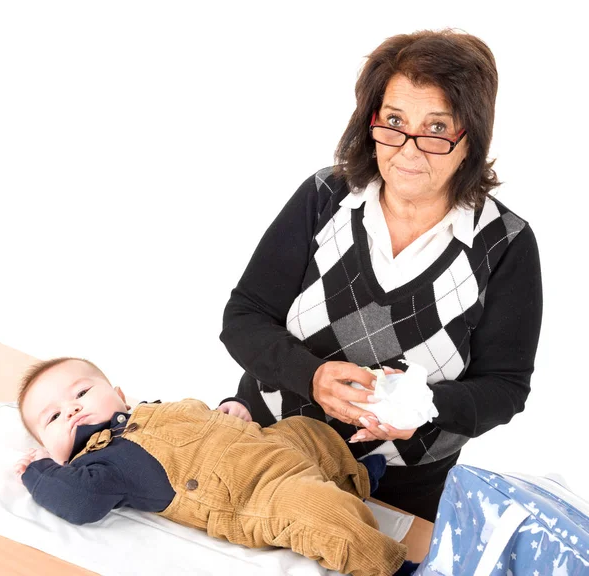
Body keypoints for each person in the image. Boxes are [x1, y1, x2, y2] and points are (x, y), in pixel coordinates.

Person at [220, 29, 543, 522]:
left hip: (398, 490)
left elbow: (505, 388)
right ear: (371, 121)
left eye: (437, 128)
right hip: (268, 451)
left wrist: (424, 406)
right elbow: (243, 317)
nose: (408, 149)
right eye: (394, 121)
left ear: (470, 138)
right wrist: (313, 376)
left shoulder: (505, 244)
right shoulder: (326, 197)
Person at [14, 356, 419, 576]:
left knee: (307, 429)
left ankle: (358, 477)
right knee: (321, 514)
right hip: (254, 496)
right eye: (53, 418)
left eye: (81, 393)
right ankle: (397, 568)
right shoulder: (100, 467)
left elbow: (197, 430)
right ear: (53, 449)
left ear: (119, 395)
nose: (71, 410)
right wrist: (40, 471)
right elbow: (77, 500)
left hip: (267, 445)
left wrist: (229, 412)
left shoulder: (149, 412)